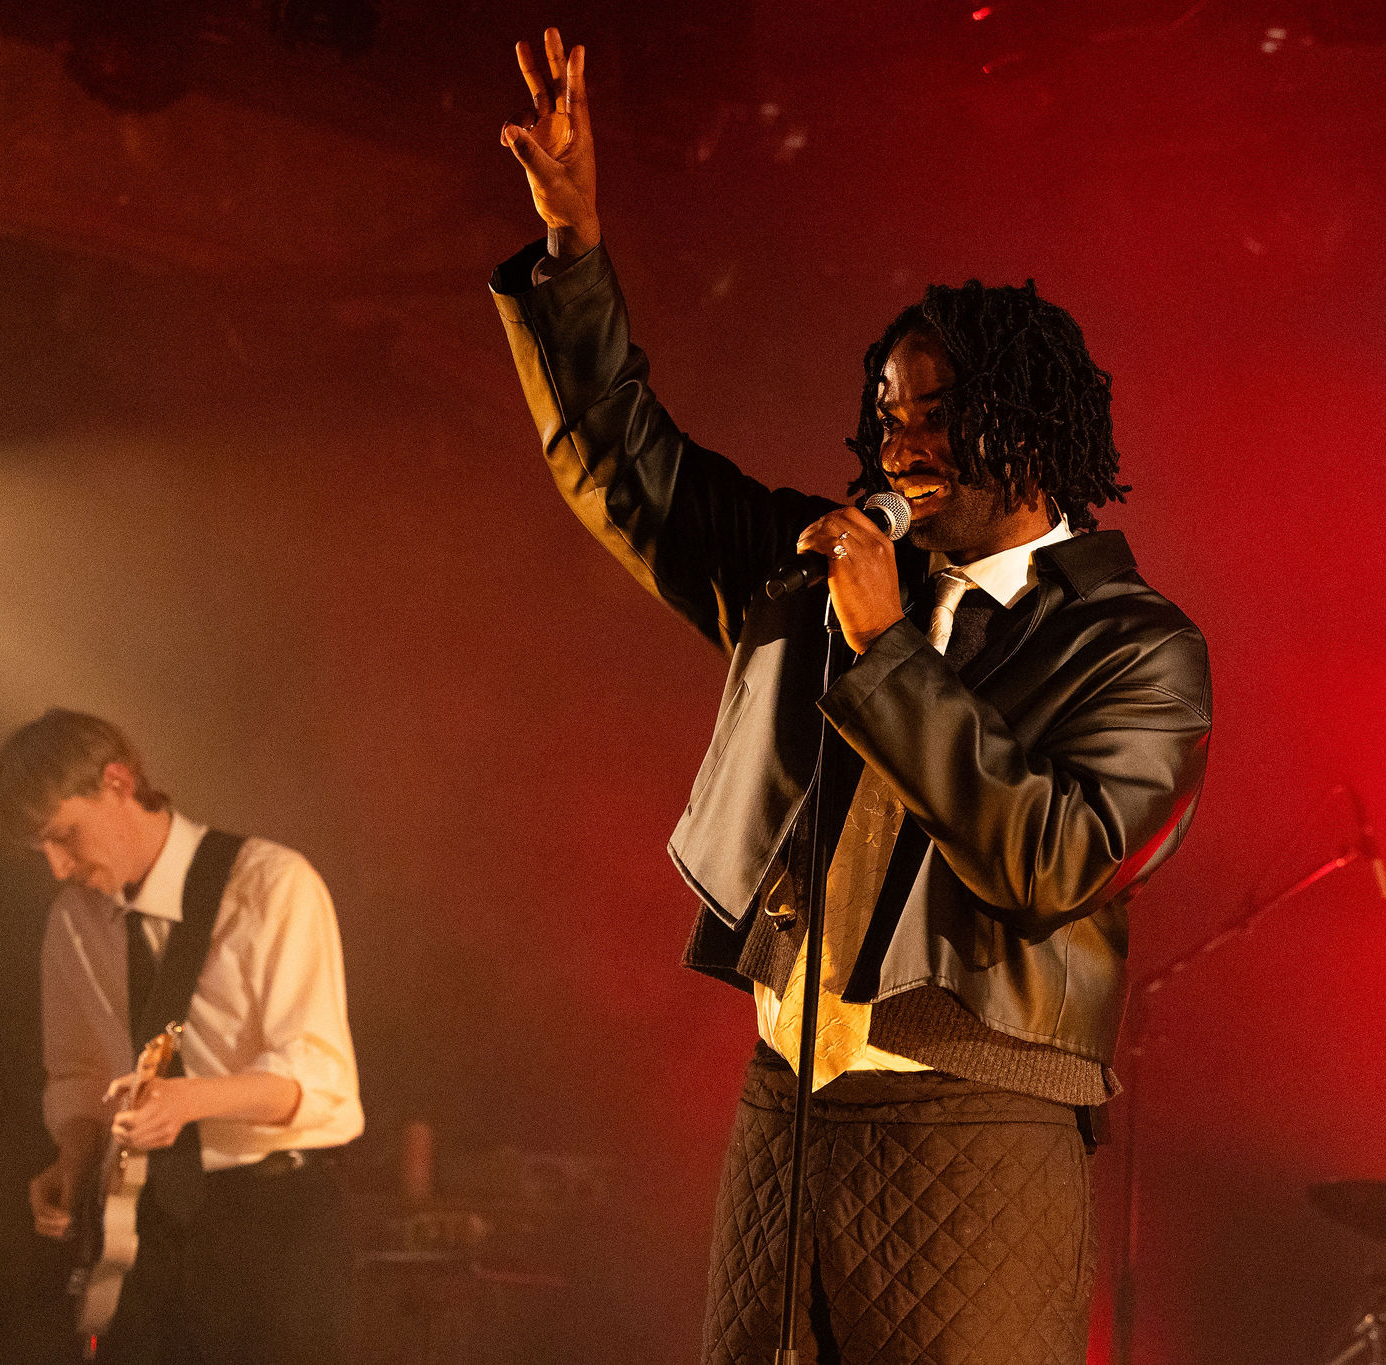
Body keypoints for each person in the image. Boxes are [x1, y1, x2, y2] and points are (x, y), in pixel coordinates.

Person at [492, 29, 1211, 1365]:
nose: (896, 440)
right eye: (885, 412)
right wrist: (573, 252)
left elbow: (1049, 860)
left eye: (931, 412)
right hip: (787, 1109)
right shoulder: (818, 575)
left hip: (973, 1129)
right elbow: (627, 467)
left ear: (1027, 431)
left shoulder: (1135, 648)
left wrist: (886, 647)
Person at [0, 708, 362, 1364]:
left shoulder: (271, 883)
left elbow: (321, 1082)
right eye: (41, 848)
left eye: (66, 836)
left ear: (118, 782)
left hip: (270, 1218)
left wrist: (190, 1101)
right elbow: (78, 1075)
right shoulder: (74, 920)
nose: (57, 866)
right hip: (145, 1222)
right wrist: (73, 1160)